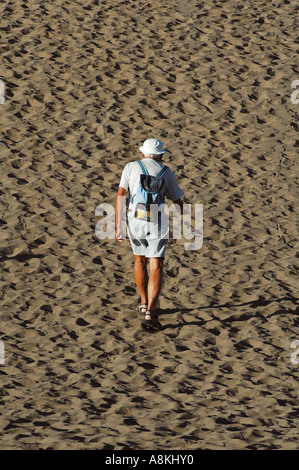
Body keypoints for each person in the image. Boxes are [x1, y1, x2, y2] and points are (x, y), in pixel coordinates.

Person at [115, 138, 184, 330]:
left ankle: (143, 301)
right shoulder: (165, 171)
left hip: (135, 220)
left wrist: (118, 226)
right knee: (156, 264)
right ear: (161, 154)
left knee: (139, 260)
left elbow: (121, 194)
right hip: (157, 222)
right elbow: (177, 199)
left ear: (143, 153)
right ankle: (150, 312)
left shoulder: (130, 167)